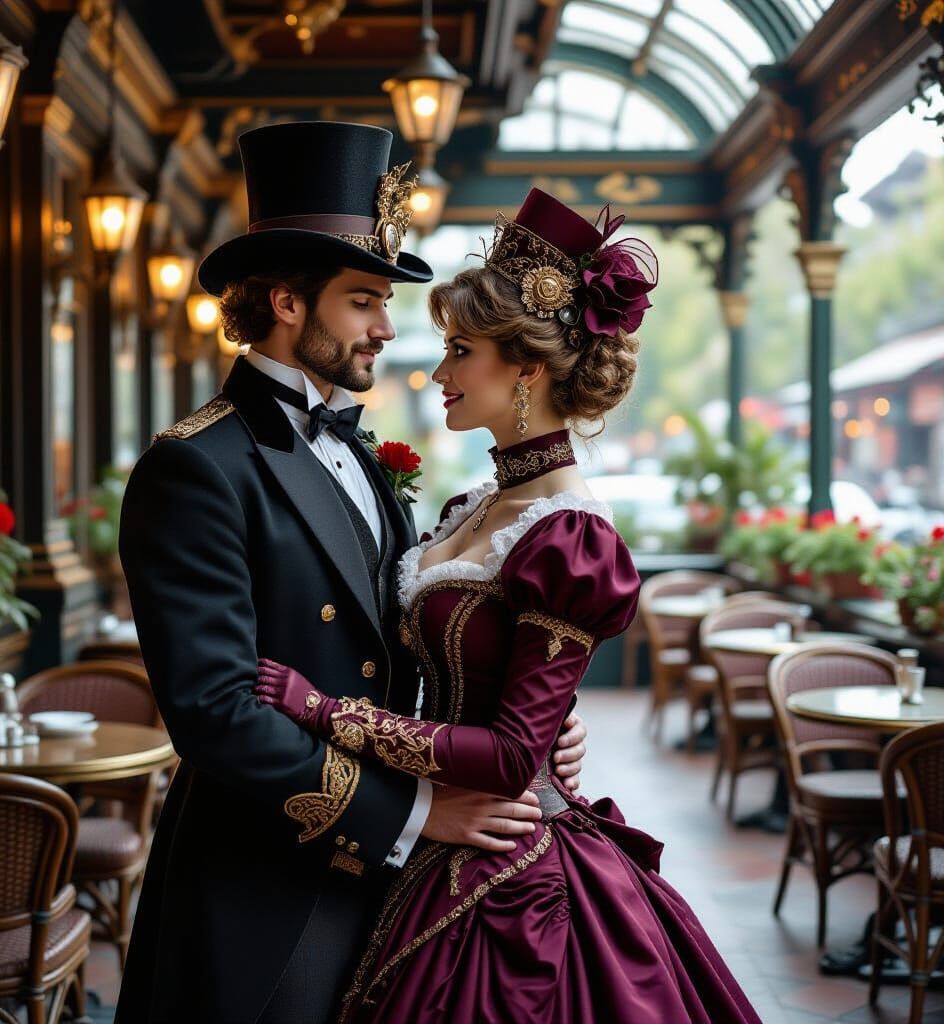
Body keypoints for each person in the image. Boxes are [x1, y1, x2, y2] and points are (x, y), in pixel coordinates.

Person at [255, 188, 763, 1023]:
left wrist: (325, 712)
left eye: (460, 352)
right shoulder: (474, 506)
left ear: (526, 367)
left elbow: (506, 758)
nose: (440, 373)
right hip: (423, 828)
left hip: (510, 859)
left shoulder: (571, 536)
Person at [116, 124, 587, 1024]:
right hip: (268, 873)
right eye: (365, 300)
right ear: (288, 303)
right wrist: (413, 815)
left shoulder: (365, 455)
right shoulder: (197, 466)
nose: (387, 326)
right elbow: (214, 714)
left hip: (390, 874)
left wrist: (530, 726)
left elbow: (407, 645)